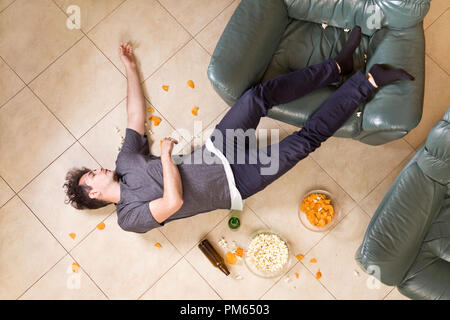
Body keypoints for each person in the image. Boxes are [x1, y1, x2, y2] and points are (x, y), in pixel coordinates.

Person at [64, 26, 414, 233]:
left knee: (256, 97)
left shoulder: (125, 162)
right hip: (237, 183)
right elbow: (174, 201)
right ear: (93, 194)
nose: (97, 170)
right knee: (305, 141)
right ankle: (368, 82)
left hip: (220, 148)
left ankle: (336, 67)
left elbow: (133, 115)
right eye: (90, 177)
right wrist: (167, 157)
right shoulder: (129, 218)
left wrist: (129, 67)